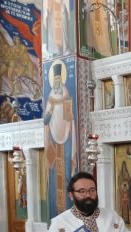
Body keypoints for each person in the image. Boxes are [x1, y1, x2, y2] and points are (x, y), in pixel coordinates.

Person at [41, 172, 129, 232]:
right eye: (82, 191)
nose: (88, 195)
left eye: (92, 190)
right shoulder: (60, 222)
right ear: (71, 195)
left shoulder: (112, 217)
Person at [44, 62, 75, 218]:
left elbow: (69, 117)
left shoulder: (66, 95)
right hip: (53, 141)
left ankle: (69, 210)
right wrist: (49, 113)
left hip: (66, 136)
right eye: (55, 80)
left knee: (67, 171)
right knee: (54, 173)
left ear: (62, 80)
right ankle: (54, 213)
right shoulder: (50, 97)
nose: (57, 83)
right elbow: (45, 120)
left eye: (59, 80)